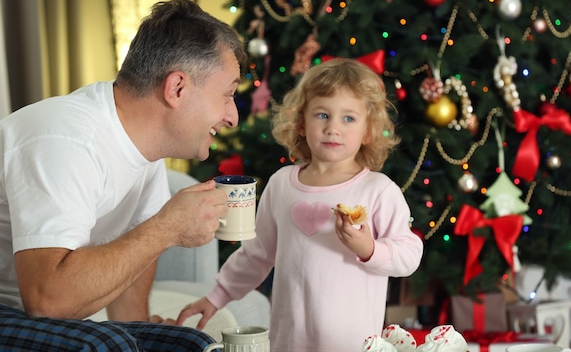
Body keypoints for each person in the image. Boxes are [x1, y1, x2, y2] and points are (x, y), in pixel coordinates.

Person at [0, 0, 246, 351]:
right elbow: (47, 301)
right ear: (177, 88)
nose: (232, 116)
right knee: (107, 346)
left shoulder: (145, 151)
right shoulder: (66, 138)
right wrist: (168, 227)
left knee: (192, 344)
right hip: (19, 308)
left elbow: (130, 277)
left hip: (31, 317)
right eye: (227, 95)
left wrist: (141, 330)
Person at [176, 58, 424, 351]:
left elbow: (409, 255)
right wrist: (215, 297)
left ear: (368, 131)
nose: (333, 128)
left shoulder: (378, 190)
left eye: (348, 118)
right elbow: (256, 255)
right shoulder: (282, 184)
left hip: (351, 344)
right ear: (302, 123)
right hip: (288, 341)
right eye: (322, 115)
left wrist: (369, 249)